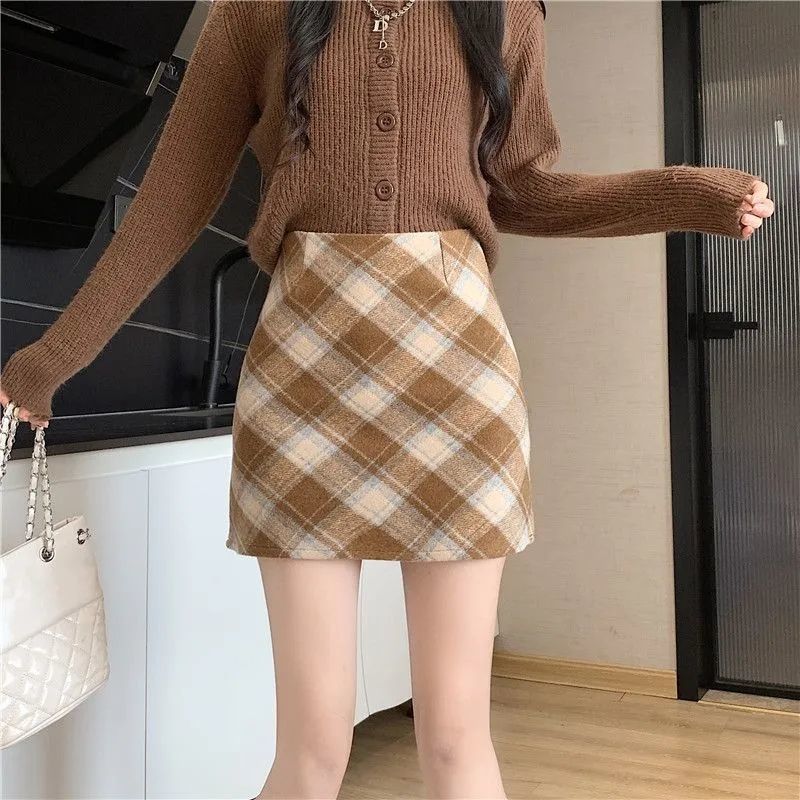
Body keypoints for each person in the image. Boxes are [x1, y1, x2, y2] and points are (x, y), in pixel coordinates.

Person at [0, 1, 774, 797]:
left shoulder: (506, 12)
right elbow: (173, 196)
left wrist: (687, 196)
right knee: (311, 748)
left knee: (456, 740)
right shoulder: (254, 10)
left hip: (459, 383)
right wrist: (53, 358)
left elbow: (522, 191)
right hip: (301, 378)